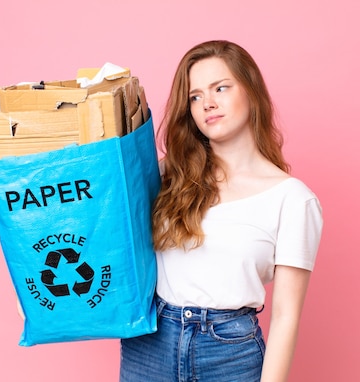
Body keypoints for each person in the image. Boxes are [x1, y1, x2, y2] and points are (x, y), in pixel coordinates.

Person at [119, 40, 323, 382]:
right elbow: (104, 220)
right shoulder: (170, 174)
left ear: (252, 91)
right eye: (195, 96)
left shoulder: (294, 200)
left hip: (229, 352)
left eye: (220, 88)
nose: (207, 104)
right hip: (150, 343)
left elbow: (286, 316)